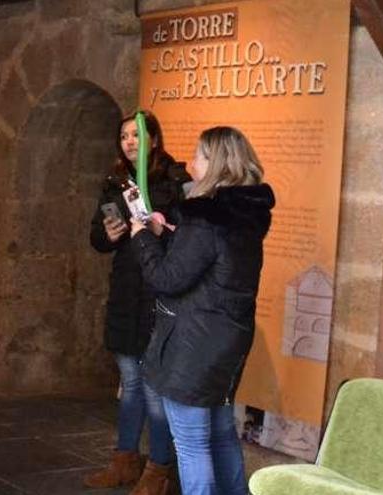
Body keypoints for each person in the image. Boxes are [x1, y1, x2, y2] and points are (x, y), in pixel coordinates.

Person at [130, 126, 274, 495]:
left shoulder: (205, 217)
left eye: (197, 155)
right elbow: (212, 261)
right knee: (222, 434)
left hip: (194, 344)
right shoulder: (242, 214)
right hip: (227, 339)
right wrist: (170, 235)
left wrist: (142, 238)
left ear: (215, 163)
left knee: (192, 444)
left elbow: (167, 278)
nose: (191, 162)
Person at [86, 111, 189, 494]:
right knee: (130, 383)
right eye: (124, 135)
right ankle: (124, 460)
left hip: (159, 291)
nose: (130, 141)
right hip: (127, 289)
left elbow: (188, 240)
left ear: (154, 140)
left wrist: (162, 230)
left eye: (137, 135)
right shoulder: (115, 182)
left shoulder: (174, 181)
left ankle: (158, 470)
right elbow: (96, 237)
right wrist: (109, 234)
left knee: (153, 389)